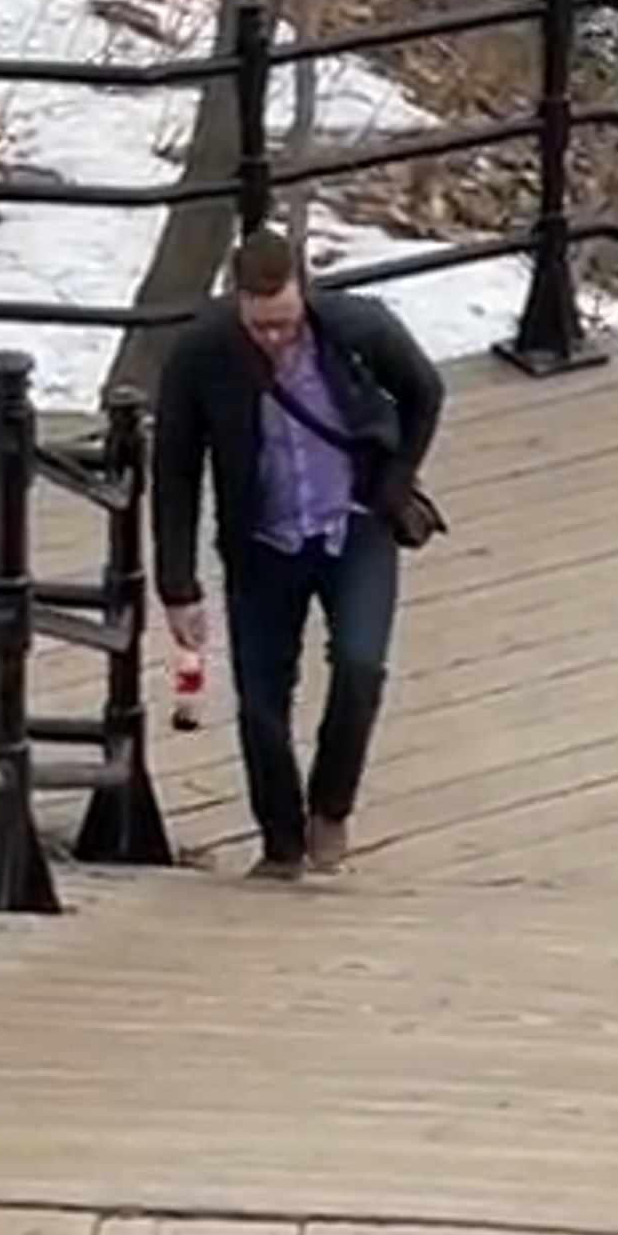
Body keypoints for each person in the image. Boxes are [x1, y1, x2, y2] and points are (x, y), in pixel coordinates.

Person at [150, 222, 446, 882]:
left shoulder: (358, 327)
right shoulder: (201, 354)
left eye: (284, 322)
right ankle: (281, 842)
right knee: (262, 703)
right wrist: (178, 584)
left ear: (304, 293)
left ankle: (331, 806)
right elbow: (174, 465)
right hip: (263, 542)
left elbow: (425, 391)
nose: (274, 338)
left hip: (354, 524)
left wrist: (396, 481)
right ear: (237, 303)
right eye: (260, 326)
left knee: (361, 666)